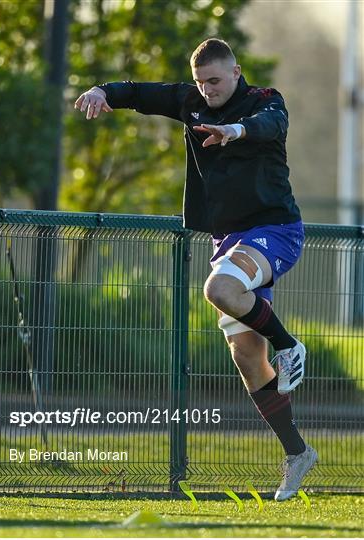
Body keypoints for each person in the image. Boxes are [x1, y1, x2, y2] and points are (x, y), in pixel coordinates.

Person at [74, 38, 317, 501]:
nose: (207, 90)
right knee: (247, 357)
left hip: (275, 230)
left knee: (221, 289)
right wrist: (103, 90)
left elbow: (270, 125)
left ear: (237, 71)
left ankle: (288, 345)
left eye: (216, 80)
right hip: (227, 240)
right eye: (202, 81)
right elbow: (141, 93)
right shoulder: (191, 100)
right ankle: (297, 453)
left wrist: (235, 131)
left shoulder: (264, 100)